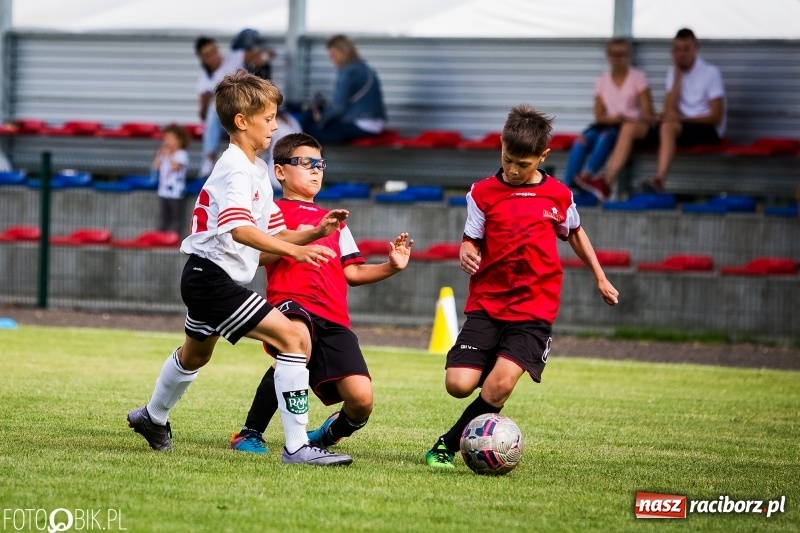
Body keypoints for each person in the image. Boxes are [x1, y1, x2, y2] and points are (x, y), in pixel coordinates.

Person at [127, 70, 353, 466]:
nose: (274, 126)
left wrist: (314, 232)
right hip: (211, 279)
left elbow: (269, 243)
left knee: (195, 356)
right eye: (268, 119)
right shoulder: (235, 166)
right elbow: (240, 229)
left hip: (209, 278)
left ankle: (152, 416)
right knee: (294, 340)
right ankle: (298, 447)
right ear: (242, 121)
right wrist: (297, 252)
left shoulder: (257, 170)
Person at [424, 104, 619, 469]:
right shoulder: (482, 193)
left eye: (523, 164)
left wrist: (600, 277)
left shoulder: (558, 196)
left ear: (543, 156)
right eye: (509, 159)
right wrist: (465, 251)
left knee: (498, 388)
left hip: (534, 309)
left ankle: (446, 445)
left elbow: (575, 234)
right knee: (458, 384)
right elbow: (471, 238)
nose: (513, 170)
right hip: (488, 302)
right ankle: (495, 363)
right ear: (501, 146)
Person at [229, 132, 413, 457]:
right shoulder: (272, 212)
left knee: (361, 400)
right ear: (281, 171)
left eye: (320, 164)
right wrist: (305, 237)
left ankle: (324, 437)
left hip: (333, 318)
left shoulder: (336, 223)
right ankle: (249, 433)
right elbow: (257, 258)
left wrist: (391, 266)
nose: (316, 170)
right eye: (306, 163)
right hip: (291, 306)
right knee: (294, 349)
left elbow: (353, 272)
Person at [580, 28, 726, 199]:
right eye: (677, 49)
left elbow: (716, 117)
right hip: (678, 125)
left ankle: (658, 180)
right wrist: (678, 78)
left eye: (686, 49)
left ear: (696, 48)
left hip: (706, 128)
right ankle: (606, 182)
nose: (681, 54)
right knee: (629, 127)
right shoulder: (673, 71)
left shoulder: (711, 73)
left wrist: (680, 118)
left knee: (667, 127)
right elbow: (669, 109)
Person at [566, 38, 655, 193]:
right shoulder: (602, 80)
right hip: (608, 123)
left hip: (626, 126)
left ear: (628, 55)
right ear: (608, 56)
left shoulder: (638, 77)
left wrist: (628, 119)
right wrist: (612, 119)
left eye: (621, 54)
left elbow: (647, 112)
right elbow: (599, 115)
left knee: (604, 137)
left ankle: (587, 176)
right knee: (581, 140)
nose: (617, 59)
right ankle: (568, 185)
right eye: (613, 54)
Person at [194, 31, 275, 177]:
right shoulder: (204, 80)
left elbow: (261, 56)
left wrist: (263, 57)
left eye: (214, 51)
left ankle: (254, 164)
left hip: (247, 108)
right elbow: (202, 115)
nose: (213, 56)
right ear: (203, 59)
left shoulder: (234, 58)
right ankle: (209, 160)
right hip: (226, 118)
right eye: (208, 55)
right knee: (214, 112)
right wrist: (207, 100)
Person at [300, 34, 387, 145]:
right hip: (374, 123)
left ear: (342, 52)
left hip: (362, 124)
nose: (331, 59)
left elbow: (338, 108)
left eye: (333, 54)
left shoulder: (348, 72)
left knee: (308, 131)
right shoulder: (364, 67)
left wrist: (321, 118)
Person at [153, 124, 191, 235]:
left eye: (170, 138)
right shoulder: (164, 154)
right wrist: (159, 156)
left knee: (176, 217)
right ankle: (161, 237)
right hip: (163, 191)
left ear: (179, 141)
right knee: (163, 216)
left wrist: (169, 155)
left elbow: (176, 167)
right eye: (165, 138)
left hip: (176, 192)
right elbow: (156, 166)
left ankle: (174, 237)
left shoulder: (182, 154)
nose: (167, 141)